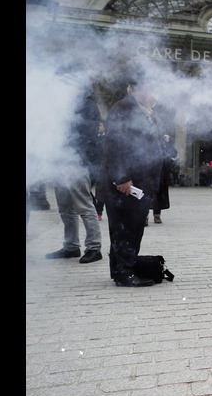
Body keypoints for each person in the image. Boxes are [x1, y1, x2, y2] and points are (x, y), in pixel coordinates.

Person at [95, 77, 165, 287]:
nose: (155, 94)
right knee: (124, 229)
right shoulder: (124, 108)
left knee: (133, 228)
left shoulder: (142, 111)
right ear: (135, 89)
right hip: (125, 185)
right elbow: (114, 145)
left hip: (139, 183)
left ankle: (126, 267)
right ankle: (123, 273)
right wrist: (121, 177)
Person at [46, 78, 104, 264]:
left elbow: (85, 136)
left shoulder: (88, 106)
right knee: (65, 208)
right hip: (61, 162)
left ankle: (94, 247)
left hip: (77, 162)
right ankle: (71, 246)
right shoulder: (66, 105)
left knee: (84, 206)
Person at [149, 134, 175, 225]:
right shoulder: (148, 142)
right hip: (149, 173)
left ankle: (157, 215)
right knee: (147, 195)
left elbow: (173, 154)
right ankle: (145, 216)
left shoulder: (164, 145)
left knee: (158, 195)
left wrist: (168, 143)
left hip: (161, 174)